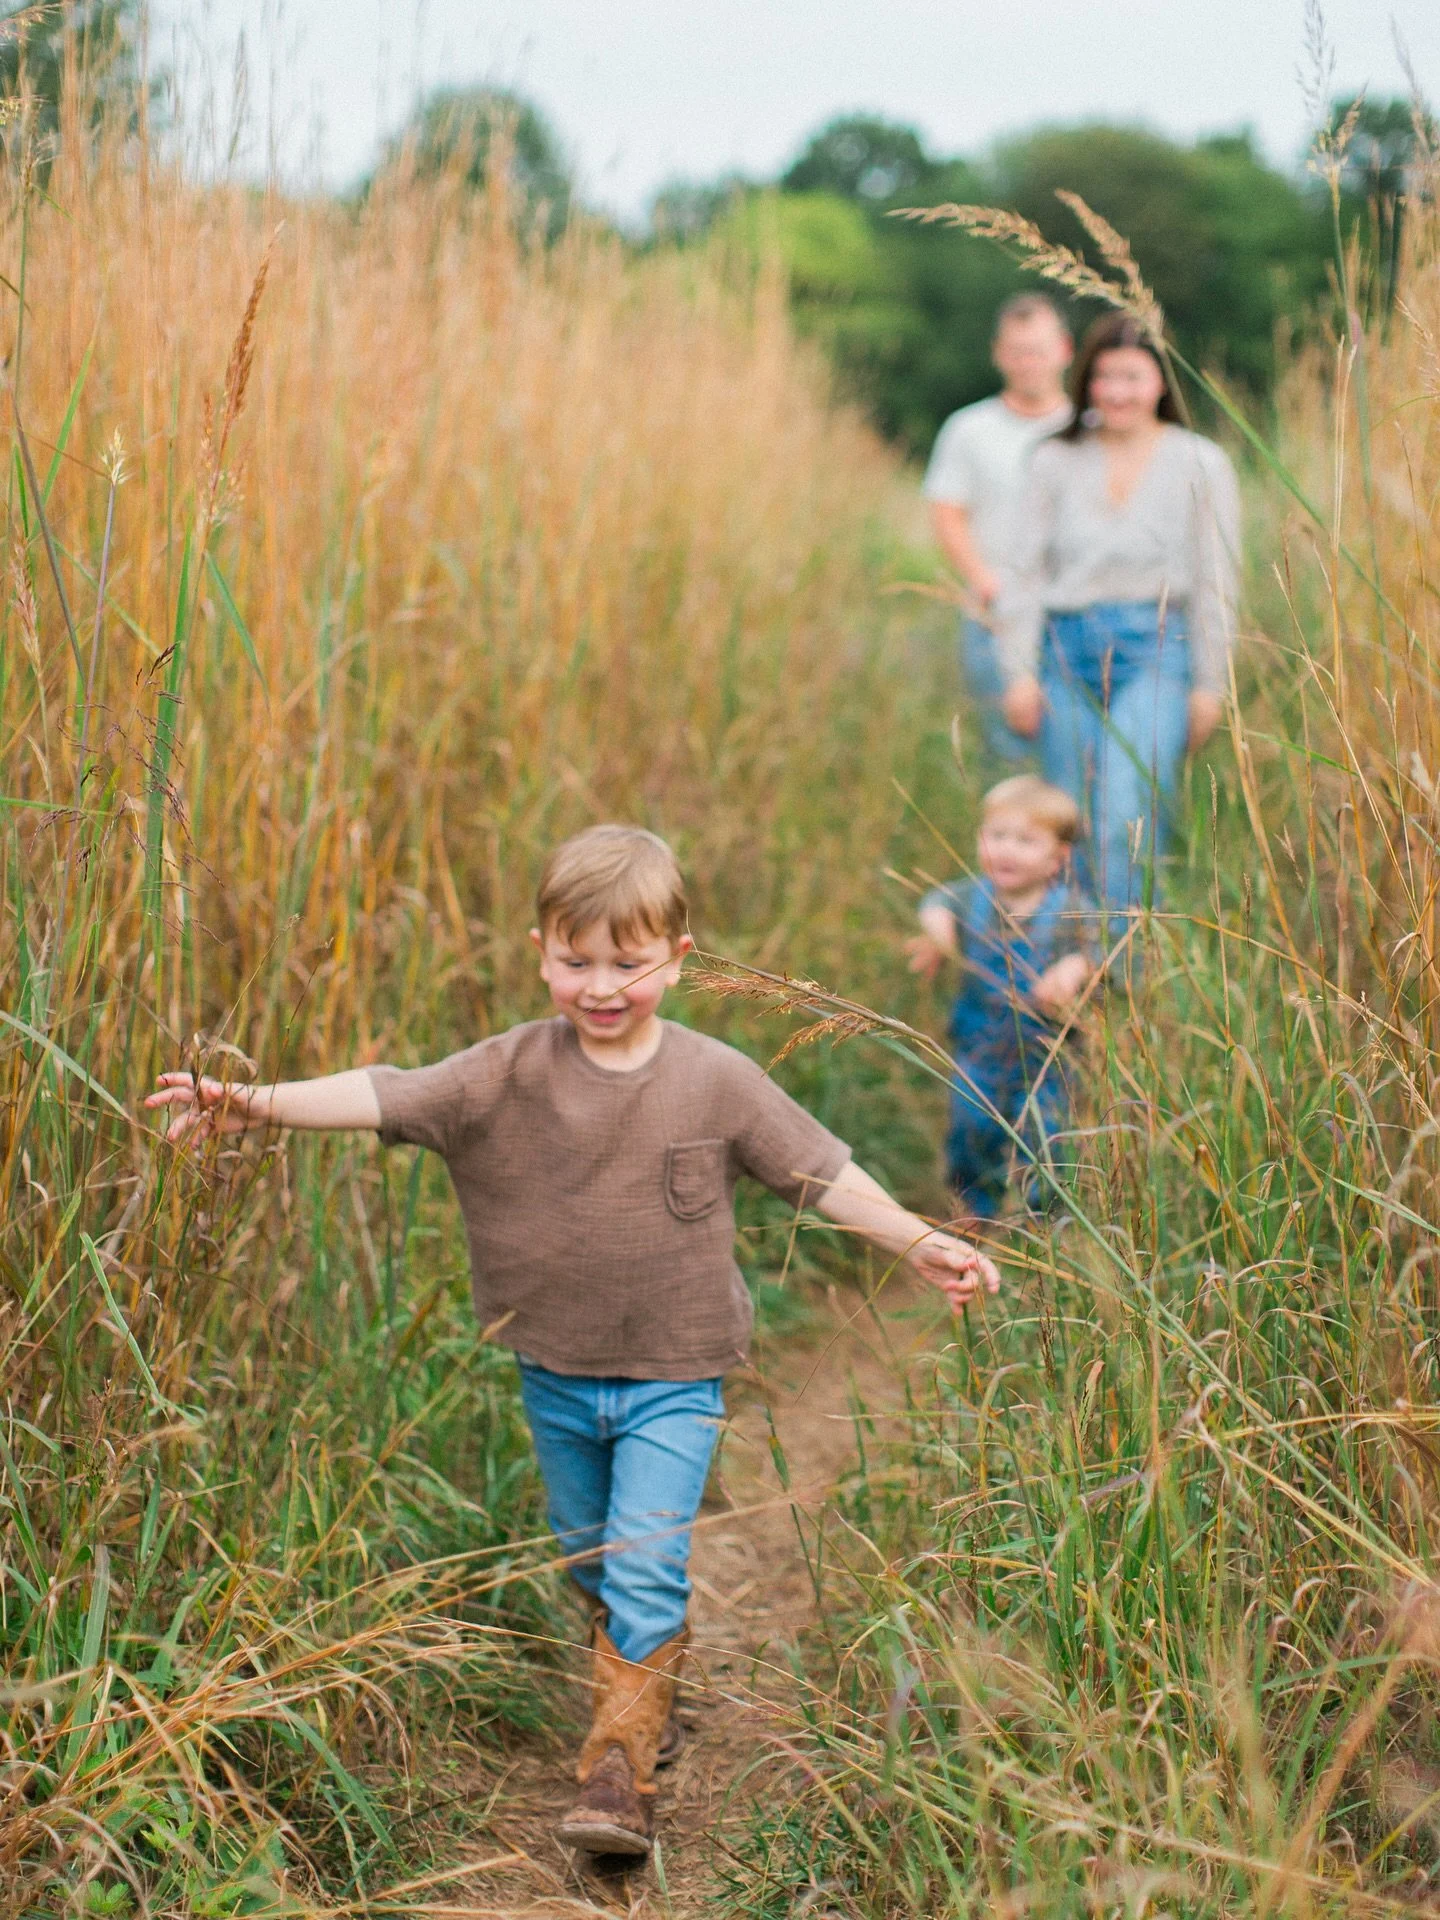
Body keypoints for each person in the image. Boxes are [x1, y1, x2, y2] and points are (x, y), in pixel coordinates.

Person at [147, 824, 999, 1863]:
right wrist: (259, 1106)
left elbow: (819, 1172)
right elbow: (388, 1091)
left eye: (627, 964)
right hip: (552, 1370)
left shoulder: (715, 1080)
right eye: (575, 960)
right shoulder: (506, 1073)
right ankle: (648, 1690)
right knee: (589, 1555)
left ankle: (618, 1775)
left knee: (642, 1563)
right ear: (542, 950)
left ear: (677, 960)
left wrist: (916, 1241)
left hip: (675, 1378)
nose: (600, 986)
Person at [992, 311, 1242, 914]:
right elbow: (1022, 573)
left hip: (1156, 648)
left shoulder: (1200, 462)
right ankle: (1065, 954)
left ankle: (1123, 964)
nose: (1119, 392)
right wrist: (1018, 672)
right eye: (1105, 378)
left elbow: (1217, 580)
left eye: (1133, 377)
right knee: (1065, 812)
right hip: (1064, 647)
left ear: (1160, 382)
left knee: (1128, 803)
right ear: (1087, 383)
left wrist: (1211, 685)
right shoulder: (1053, 458)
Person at [907, 776, 1098, 1223]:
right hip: (980, 1051)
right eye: (997, 836)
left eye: (1026, 841)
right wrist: (937, 929)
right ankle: (973, 1211)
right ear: (979, 840)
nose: (1006, 850)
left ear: (1058, 858)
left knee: (1048, 1139)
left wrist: (1076, 967)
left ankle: (1047, 1224)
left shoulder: (1072, 908)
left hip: (1049, 1059)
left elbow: (1113, 949)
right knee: (971, 1130)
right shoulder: (973, 898)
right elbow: (936, 900)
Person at [923, 293, 1074, 764]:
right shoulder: (969, 428)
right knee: (1010, 750)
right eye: (1018, 351)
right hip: (995, 611)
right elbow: (947, 511)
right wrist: (982, 578)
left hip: (1072, 610)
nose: (1030, 362)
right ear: (998, 354)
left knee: (1076, 751)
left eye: (1040, 349)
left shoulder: (1087, 427)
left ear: (1064, 350)